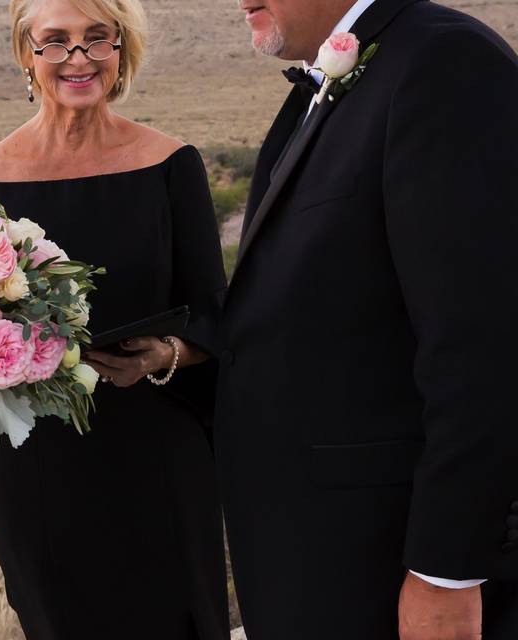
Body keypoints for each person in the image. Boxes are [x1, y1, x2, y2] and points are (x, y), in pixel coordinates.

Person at [217, 0, 518, 637]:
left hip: (389, 569)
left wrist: (447, 572)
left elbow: (483, 345)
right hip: (313, 560)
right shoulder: (331, 78)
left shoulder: (444, 64)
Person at [0, 0, 229, 637]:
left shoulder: (170, 166)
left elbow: (214, 314)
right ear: (28, 55)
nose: (78, 58)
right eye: (56, 42)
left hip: (157, 452)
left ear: (121, 50)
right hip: (38, 470)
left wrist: (164, 356)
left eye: (97, 39)